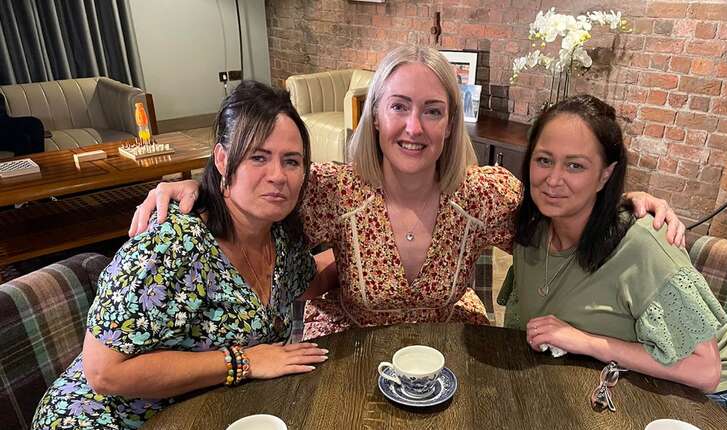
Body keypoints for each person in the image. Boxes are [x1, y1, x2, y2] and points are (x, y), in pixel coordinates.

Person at [129, 45, 685, 341]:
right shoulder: (331, 191)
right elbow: (256, 200)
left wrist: (630, 201)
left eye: (433, 111)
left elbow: (561, 208)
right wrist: (198, 187)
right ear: (374, 118)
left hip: (453, 351)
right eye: (398, 106)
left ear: (450, 127)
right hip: (352, 352)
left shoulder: (484, 196)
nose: (414, 127)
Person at [29, 81, 329, 430]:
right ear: (222, 160)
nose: (278, 175)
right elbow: (102, 372)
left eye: (291, 161)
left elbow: (309, 281)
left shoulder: (281, 239)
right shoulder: (173, 242)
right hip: (106, 425)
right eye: (258, 157)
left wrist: (369, 246)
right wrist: (244, 361)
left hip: (198, 419)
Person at [499, 95, 727, 430]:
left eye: (575, 165)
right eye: (543, 160)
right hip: (624, 384)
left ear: (605, 175)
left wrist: (585, 341)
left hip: (722, 400)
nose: (553, 180)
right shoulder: (531, 234)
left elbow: (705, 371)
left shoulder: (643, 244)